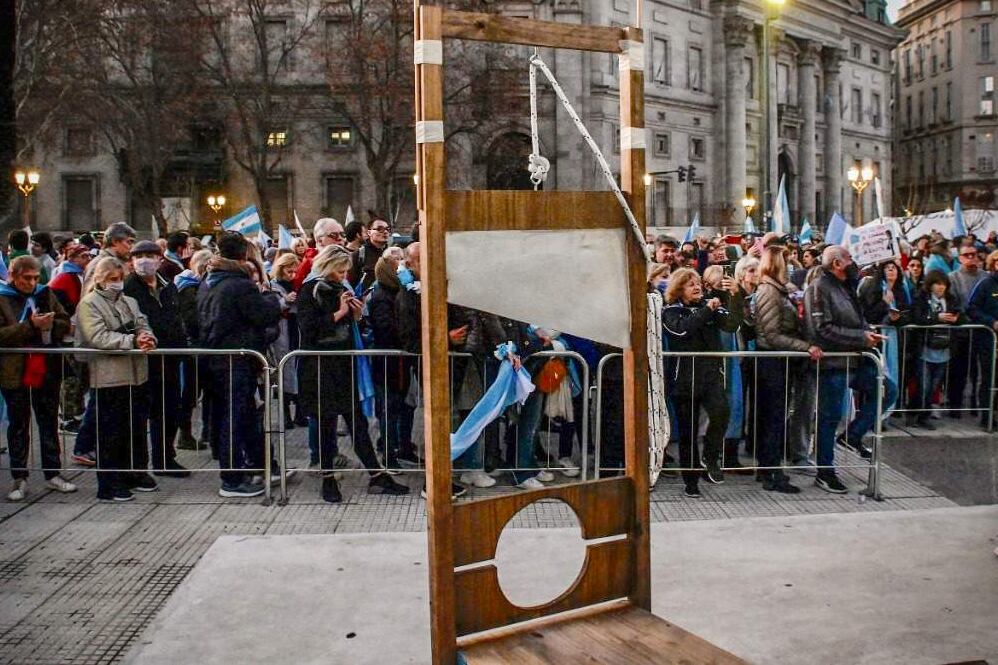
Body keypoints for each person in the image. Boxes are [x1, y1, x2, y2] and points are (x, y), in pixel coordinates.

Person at [296, 244, 409, 503]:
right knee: (326, 425)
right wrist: (340, 313)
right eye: (339, 271)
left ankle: (377, 475)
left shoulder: (341, 289)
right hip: (320, 367)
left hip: (344, 365)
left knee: (357, 423)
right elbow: (310, 330)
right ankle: (328, 478)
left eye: (346, 271)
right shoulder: (309, 290)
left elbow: (352, 326)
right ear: (327, 268)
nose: (344, 276)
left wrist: (356, 315)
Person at [198, 233, 283, 498]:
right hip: (235, 360)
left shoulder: (209, 280)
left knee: (241, 417)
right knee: (233, 420)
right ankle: (232, 479)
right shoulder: (239, 284)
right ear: (244, 255)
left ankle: (257, 465)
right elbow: (265, 313)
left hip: (218, 358)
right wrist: (269, 296)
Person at [804, 246, 893, 494]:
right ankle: (825, 470)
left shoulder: (846, 286)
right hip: (833, 362)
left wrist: (867, 333)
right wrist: (861, 337)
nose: (853, 262)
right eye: (849, 258)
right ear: (836, 263)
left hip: (855, 359)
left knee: (887, 390)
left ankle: (852, 436)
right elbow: (822, 328)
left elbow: (857, 316)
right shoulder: (819, 287)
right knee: (829, 417)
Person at [77, 256, 158, 501]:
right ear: (101, 280)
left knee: (134, 428)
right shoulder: (89, 304)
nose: (118, 283)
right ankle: (110, 482)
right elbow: (98, 337)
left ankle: (135, 471)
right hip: (109, 376)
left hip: (136, 374)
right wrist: (130, 341)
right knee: (110, 431)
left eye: (120, 278)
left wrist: (146, 337)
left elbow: (143, 323)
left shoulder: (129, 301)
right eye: (113, 280)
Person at [0, 256, 76, 501]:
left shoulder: (45, 293)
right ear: (13, 276)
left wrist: (51, 326)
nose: (31, 283)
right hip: (15, 370)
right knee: (19, 425)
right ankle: (19, 477)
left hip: (46, 367)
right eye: (26, 278)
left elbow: (65, 320)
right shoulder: (2, 297)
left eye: (35, 278)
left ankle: (53, 473)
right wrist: (30, 326)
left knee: (48, 422)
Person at [662, 268, 743, 498]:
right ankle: (691, 479)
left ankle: (711, 454)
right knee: (687, 432)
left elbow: (732, 325)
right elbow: (682, 331)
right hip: (684, 380)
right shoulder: (671, 310)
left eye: (698, 283)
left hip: (710, 376)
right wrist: (707, 309)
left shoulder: (709, 306)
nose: (697, 287)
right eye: (690, 285)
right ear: (679, 289)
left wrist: (736, 297)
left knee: (721, 412)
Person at [754, 246, 822, 493]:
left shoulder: (778, 289)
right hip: (773, 360)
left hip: (781, 360)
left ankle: (770, 469)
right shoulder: (768, 292)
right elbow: (771, 334)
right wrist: (804, 346)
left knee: (775, 416)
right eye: (786, 260)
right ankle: (772, 472)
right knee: (773, 418)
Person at [124, 240, 190, 477]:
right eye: (138, 255)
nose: (144, 260)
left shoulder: (168, 286)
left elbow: (175, 317)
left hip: (170, 359)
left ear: (160, 259)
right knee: (143, 412)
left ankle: (165, 457)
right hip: (144, 359)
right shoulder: (128, 288)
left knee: (169, 410)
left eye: (150, 255)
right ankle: (139, 464)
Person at [368, 254, 420, 467]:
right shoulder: (381, 296)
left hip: (399, 362)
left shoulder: (397, 292)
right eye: (397, 264)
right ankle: (389, 454)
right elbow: (386, 328)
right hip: (389, 363)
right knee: (389, 409)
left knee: (405, 406)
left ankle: (404, 446)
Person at [912, 271, 964, 429]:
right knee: (924, 385)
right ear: (930, 284)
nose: (941, 287)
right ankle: (919, 415)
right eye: (937, 283)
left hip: (944, 350)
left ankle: (922, 413)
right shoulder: (921, 298)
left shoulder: (951, 300)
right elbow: (917, 318)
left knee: (934, 385)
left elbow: (963, 316)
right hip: (925, 350)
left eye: (943, 284)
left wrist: (957, 319)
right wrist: (937, 318)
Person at [49, 244, 92, 433]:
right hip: (68, 336)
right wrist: (68, 326)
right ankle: (68, 418)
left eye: (88, 256)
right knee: (71, 379)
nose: (87, 259)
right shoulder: (64, 279)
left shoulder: (77, 276)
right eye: (83, 256)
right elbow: (61, 308)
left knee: (80, 377)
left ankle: (75, 414)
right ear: (73, 258)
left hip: (77, 334)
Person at [174, 249, 213, 452]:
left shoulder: (188, 286)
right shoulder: (188, 289)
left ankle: (204, 431)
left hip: (196, 345)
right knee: (190, 394)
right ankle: (185, 434)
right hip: (193, 347)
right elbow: (192, 320)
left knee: (201, 392)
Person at [946, 240, 990, 421]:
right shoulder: (953, 277)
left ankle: (976, 404)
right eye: (967, 255)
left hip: (982, 330)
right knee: (959, 369)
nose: (971, 259)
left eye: (974, 255)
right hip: (961, 331)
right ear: (959, 258)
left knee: (979, 371)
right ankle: (955, 405)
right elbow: (953, 302)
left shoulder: (985, 277)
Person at [268, 253, 302, 428]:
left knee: (296, 371)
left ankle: (300, 413)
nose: (293, 275)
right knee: (284, 374)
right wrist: (284, 301)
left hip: (295, 330)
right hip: (282, 331)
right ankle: (286, 415)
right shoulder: (273, 286)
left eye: (295, 271)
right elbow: (270, 308)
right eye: (290, 271)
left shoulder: (298, 284)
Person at [292, 218, 345, 290]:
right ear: (320, 240)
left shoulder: (345, 260)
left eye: (342, 234)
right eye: (334, 235)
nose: (340, 238)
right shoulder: (308, 265)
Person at [348, 218, 391, 292]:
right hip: (367, 301)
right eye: (380, 229)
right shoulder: (359, 255)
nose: (385, 232)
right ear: (369, 232)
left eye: (387, 229)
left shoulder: (393, 253)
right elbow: (350, 284)